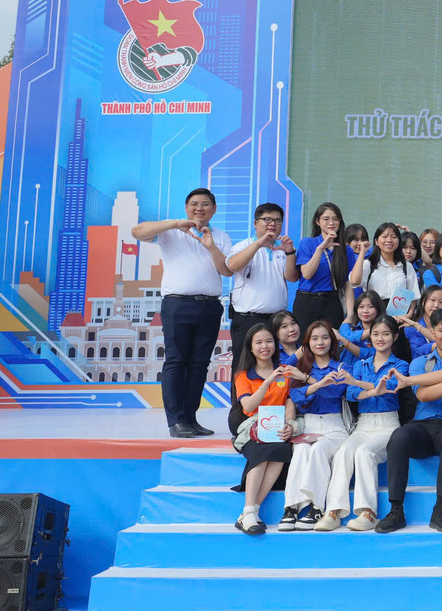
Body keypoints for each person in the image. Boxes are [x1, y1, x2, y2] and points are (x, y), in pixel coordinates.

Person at [131, 187, 233, 438]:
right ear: (187, 207)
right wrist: (176, 224)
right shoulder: (171, 231)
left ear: (214, 209)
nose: (200, 208)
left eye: (205, 204)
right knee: (176, 360)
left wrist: (211, 246)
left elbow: (226, 270)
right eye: (194, 204)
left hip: (210, 305)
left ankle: (190, 418)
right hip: (178, 304)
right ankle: (176, 420)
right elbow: (137, 232)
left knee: (200, 363)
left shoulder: (221, 236)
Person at [377, 309, 442, 532]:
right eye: (441, 330)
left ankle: (440, 509)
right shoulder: (419, 362)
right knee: (399, 437)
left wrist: (410, 381)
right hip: (422, 426)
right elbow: (423, 395)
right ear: (432, 333)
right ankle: (396, 510)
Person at [318, 317, 408, 531]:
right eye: (375, 334)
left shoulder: (401, 365)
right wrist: (371, 390)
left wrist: (359, 384)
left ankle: (368, 513)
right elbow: (351, 394)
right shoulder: (360, 364)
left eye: (386, 334)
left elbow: (389, 387)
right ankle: (333, 511)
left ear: (395, 336)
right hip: (363, 424)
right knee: (343, 453)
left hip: (387, 425)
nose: (380, 338)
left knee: (364, 453)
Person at [230, 323, 296, 535]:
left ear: (275, 345)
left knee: (280, 449)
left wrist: (289, 424)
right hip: (253, 427)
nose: (264, 346)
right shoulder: (243, 375)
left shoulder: (286, 372)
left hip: (277, 426)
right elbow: (249, 406)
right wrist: (268, 381)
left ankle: (250, 512)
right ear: (250, 348)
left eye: (268, 341)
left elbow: (290, 403)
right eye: (258, 342)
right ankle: (249, 510)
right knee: (261, 451)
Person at [282, 321, 349, 530]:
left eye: (325, 337)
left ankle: (317, 507)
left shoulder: (342, 367)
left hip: (334, 427)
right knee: (301, 450)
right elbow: (296, 396)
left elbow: (334, 392)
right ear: (307, 344)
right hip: (309, 425)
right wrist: (316, 382)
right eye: (315, 338)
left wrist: (308, 381)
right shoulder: (301, 369)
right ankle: (291, 507)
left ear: (332, 341)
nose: (320, 342)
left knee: (319, 449)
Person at [225, 203, 298, 365]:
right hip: (247, 319)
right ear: (255, 223)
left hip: (276, 320)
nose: (272, 224)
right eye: (267, 219)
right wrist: (259, 244)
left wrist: (290, 252)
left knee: (275, 366)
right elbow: (232, 266)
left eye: (277, 221)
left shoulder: (283, 248)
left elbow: (292, 277)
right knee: (243, 366)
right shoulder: (243, 246)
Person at [293, 203, 356, 332]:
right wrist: (321, 248)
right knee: (304, 341)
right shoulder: (308, 243)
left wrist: (350, 314)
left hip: (332, 302)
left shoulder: (346, 250)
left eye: (335, 219)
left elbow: (348, 283)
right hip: (306, 301)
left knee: (332, 340)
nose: (331, 222)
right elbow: (307, 274)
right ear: (317, 221)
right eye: (326, 219)